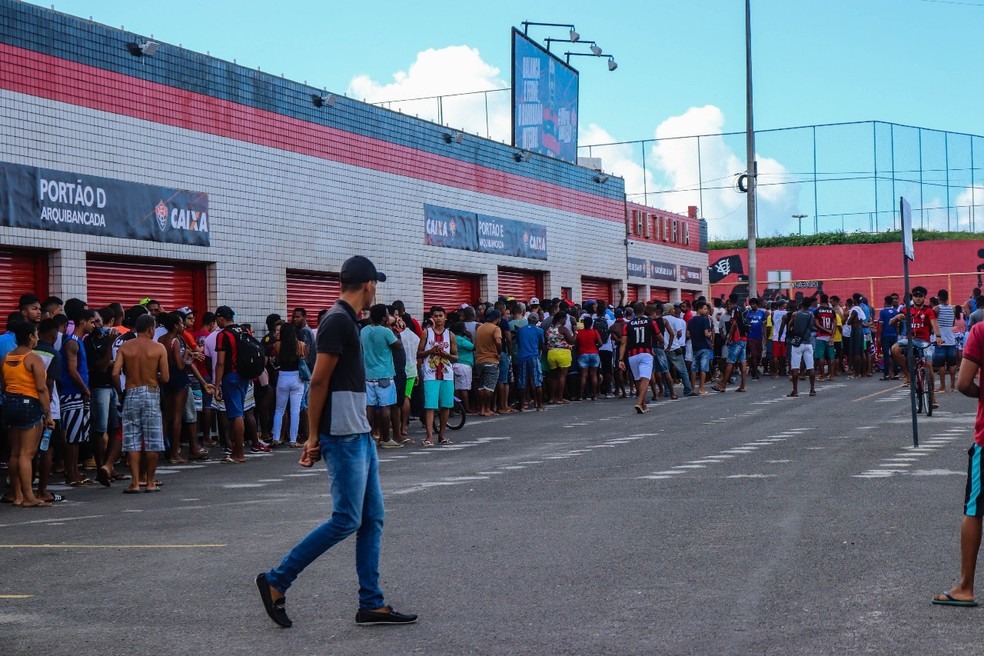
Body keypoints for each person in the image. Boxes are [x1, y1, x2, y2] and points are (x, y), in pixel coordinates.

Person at [257, 255, 416, 628]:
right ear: (368, 286)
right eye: (376, 282)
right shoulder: (337, 321)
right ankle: (277, 580)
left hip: (357, 430)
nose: (377, 287)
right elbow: (318, 381)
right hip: (342, 433)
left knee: (372, 518)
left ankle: (371, 603)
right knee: (346, 519)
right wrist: (313, 437)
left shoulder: (347, 320)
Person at [931, 318, 984, 607]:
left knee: (975, 509)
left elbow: (963, 383)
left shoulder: (980, 331)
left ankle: (965, 586)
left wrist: (981, 395)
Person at [112, 313, 169, 494]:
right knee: (152, 440)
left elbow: (115, 373)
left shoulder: (126, 347)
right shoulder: (158, 348)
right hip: (151, 393)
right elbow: (166, 377)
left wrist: (121, 391)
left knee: (132, 440)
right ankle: (150, 482)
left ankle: (135, 483)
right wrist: (156, 377)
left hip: (131, 392)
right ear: (151, 329)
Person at [1, 321, 54, 507]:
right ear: (31, 336)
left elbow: (4, 384)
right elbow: (41, 389)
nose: (38, 337)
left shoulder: (7, 357)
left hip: (10, 404)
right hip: (29, 405)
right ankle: (29, 497)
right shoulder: (33, 358)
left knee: (14, 453)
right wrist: (48, 414)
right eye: (36, 334)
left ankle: (17, 496)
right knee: (26, 454)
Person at [213, 306, 253, 464]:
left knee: (236, 414)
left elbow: (220, 363)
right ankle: (238, 450)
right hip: (245, 376)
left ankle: (239, 453)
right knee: (239, 411)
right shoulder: (244, 330)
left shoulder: (223, 335)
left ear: (222, 318)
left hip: (231, 376)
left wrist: (216, 385)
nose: (216, 322)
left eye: (217, 319)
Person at [60, 308, 95, 487]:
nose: (94, 326)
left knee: (78, 436)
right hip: (72, 393)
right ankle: (71, 473)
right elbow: (72, 370)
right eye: (92, 322)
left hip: (77, 393)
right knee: (72, 437)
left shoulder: (78, 341)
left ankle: (74, 471)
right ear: (83, 322)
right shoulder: (72, 342)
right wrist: (85, 390)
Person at [361, 304, 402, 449]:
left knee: (370, 407)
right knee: (386, 407)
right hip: (384, 375)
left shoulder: (364, 331)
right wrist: (394, 329)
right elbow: (398, 346)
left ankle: (368, 438)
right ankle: (386, 438)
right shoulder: (386, 332)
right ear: (384, 317)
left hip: (368, 375)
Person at [418, 306, 457, 446]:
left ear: (445, 317)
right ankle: (429, 437)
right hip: (430, 374)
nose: (439, 318)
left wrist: (445, 355)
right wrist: (431, 351)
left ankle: (442, 435)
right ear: (432, 318)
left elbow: (455, 356)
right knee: (430, 406)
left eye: (441, 315)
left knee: (445, 406)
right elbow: (419, 353)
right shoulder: (426, 333)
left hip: (446, 374)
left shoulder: (450, 335)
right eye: (436, 316)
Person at [619, 302, 660, 414]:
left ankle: (643, 404)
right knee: (645, 378)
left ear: (633, 311)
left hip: (632, 355)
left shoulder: (627, 325)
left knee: (637, 379)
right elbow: (659, 336)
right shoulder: (651, 322)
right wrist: (660, 343)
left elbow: (623, 343)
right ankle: (639, 402)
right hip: (646, 353)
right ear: (644, 310)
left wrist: (621, 359)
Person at [272, 322, 308, 448]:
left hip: (282, 376)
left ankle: (276, 437)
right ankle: (293, 440)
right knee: (295, 411)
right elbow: (305, 358)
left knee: (279, 409)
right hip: (297, 378)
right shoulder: (300, 345)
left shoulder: (277, 345)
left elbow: (276, 357)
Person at [474, 310, 502, 417]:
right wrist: (498, 352)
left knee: (481, 386)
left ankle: (481, 409)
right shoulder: (496, 328)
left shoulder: (480, 328)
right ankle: (487, 409)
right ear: (497, 319)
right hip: (491, 360)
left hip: (479, 360)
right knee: (489, 387)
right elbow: (498, 342)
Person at [514, 315, 545, 411]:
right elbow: (541, 344)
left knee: (522, 382)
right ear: (536, 321)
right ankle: (539, 405)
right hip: (534, 357)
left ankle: (521, 406)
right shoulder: (539, 331)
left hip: (522, 357)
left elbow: (518, 343)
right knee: (537, 381)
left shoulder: (520, 330)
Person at [787, 299, 817, 397]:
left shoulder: (795, 314)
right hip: (807, 342)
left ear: (801, 305)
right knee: (810, 367)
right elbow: (812, 327)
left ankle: (795, 391)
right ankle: (812, 390)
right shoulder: (811, 315)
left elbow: (789, 326)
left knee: (795, 367)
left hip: (797, 343)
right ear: (809, 305)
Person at [545, 311, 575, 405]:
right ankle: (559, 398)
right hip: (563, 353)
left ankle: (552, 398)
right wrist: (576, 332)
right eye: (565, 319)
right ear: (561, 319)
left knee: (553, 377)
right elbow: (571, 341)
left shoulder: (549, 329)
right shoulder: (563, 329)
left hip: (551, 353)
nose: (565, 320)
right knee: (562, 376)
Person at [687, 300, 714, 395]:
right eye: (705, 309)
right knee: (703, 368)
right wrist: (710, 334)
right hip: (704, 346)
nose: (706, 311)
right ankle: (701, 388)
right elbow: (706, 334)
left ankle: (692, 388)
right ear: (699, 309)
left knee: (694, 368)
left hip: (695, 346)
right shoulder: (704, 319)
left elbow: (688, 334)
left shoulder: (690, 320)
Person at [934, 289, 958, 394]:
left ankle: (942, 386)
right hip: (951, 339)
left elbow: (933, 321)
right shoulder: (953, 309)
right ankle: (953, 386)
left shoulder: (936, 309)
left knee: (941, 365)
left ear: (938, 298)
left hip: (940, 339)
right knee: (952, 364)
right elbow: (952, 323)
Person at [574, 316, 603, 401]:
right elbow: (601, 343)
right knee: (593, 375)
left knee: (584, 375)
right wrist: (596, 347)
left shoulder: (579, 332)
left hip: (583, 353)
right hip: (594, 353)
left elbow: (576, 344)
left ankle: (580, 395)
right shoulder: (594, 332)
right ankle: (594, 394)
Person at [450, 322, 473, 415]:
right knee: (464, 388)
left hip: (454, 364)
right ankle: (466, 408)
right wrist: (471, 337)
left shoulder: (452, 338)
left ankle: (455, 407)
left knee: (456, 388)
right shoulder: (461, 340)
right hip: (464, 365)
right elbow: (472, 347)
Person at [878, 295, 901, 381]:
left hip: (885, 335)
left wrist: (879, 336)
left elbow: (881, 325)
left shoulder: (883, 312)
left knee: (886, 355)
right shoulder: (895, 312)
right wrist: (896, 334)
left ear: (885, 302)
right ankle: (896, 373)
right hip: (894, 335)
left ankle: (886, 374)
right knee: (894, 355)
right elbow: (898, 325)